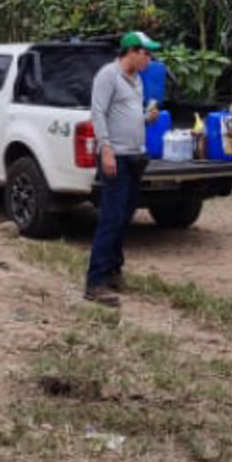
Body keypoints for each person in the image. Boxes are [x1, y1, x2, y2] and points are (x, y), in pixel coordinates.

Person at [82, 31, 161, 308]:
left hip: (134, 156)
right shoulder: (108, 76)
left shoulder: (137, 79)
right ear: (132, 52)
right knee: (111, 217)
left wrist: (146, 118)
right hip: (115, 156)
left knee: (125, 215)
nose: (149, 59)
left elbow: (127, 115)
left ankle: (114, 270)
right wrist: (106, 149)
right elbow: (98, 113)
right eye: (146, 53)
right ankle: (95, 282)